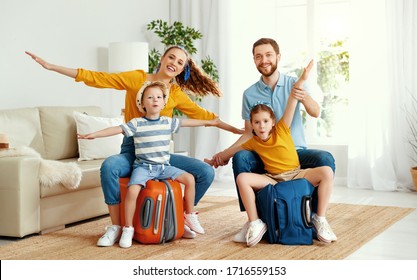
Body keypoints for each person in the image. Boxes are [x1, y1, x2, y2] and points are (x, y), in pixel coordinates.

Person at [26, 45, 243, 246]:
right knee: (110, 167)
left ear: (182, 69)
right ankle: (117, 227)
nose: (174, 63)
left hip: (160, 155)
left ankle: (177, 217)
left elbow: (206, 117)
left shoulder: (175, 94)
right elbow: (98, 78)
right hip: (133, 150)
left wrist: (235, 130)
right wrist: (51, 66)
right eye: (171, 57)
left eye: (180, 62)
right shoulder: (136, 78)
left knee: (204, 172)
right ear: (162, 58)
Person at [207, 38, 335, 241]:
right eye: (258, 56)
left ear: (278, 57)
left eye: (268, 55)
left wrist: (302, 92)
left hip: (297, 153)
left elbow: (316, 112)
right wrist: (222, 155)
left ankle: (315, 217)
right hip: (265, 157)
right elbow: (249, 133)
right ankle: (254, 220)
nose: (263, 60)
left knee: (325, 159)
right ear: (254, 60)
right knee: (241, 157)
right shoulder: (249, 93)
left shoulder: (293, 85)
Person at [78, 81, 217, 248]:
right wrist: (94, 134)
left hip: (164, 167)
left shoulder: (168, 122)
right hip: (143, 167)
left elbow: (189, 122)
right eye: (150, 97)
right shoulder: (137, 123)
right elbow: (116, 129)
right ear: (142, 103)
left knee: (189, 179)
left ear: (164, 102)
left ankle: (188, 216)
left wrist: (210, 122)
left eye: (159, 97)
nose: (155, 100)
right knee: (132, 191)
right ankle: (127, 228)